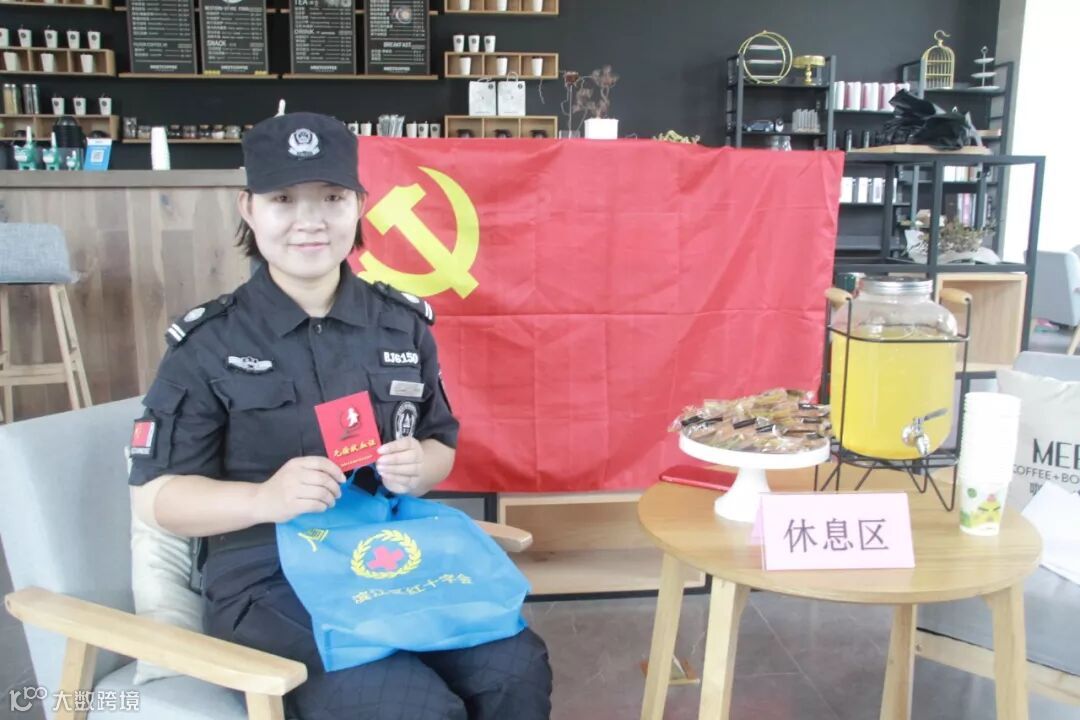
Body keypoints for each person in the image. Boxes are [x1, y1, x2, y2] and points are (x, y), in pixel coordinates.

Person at [128, 111, 552, 720]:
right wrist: (263, 499)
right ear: (249, 209)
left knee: (515, 669)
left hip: (386, 551)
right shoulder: (208, 342)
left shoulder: (401, 323)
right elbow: (156, 498)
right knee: (407, 707)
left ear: (359, 205)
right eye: (283, 199)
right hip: (267, 574)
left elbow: (440, 443)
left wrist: (419, 467)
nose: (311, 220)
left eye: (331, 197)